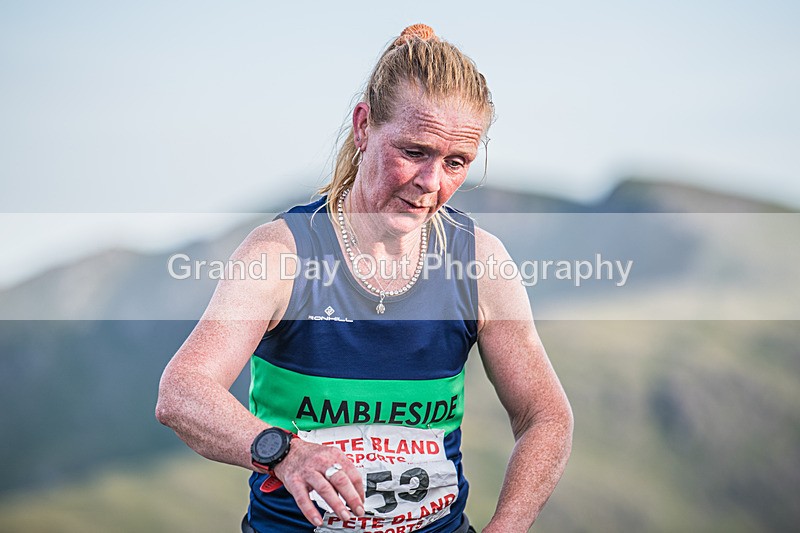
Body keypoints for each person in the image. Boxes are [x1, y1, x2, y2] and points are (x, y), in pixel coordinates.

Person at [156, 24, 572, 533]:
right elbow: (182, 393)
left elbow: (546, 418)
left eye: (456, 162)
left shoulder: (479, 262)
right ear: (362, 126)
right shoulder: (282, 253)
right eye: (415, 152)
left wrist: (506, 527)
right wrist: (286, 453)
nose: (431, 182)